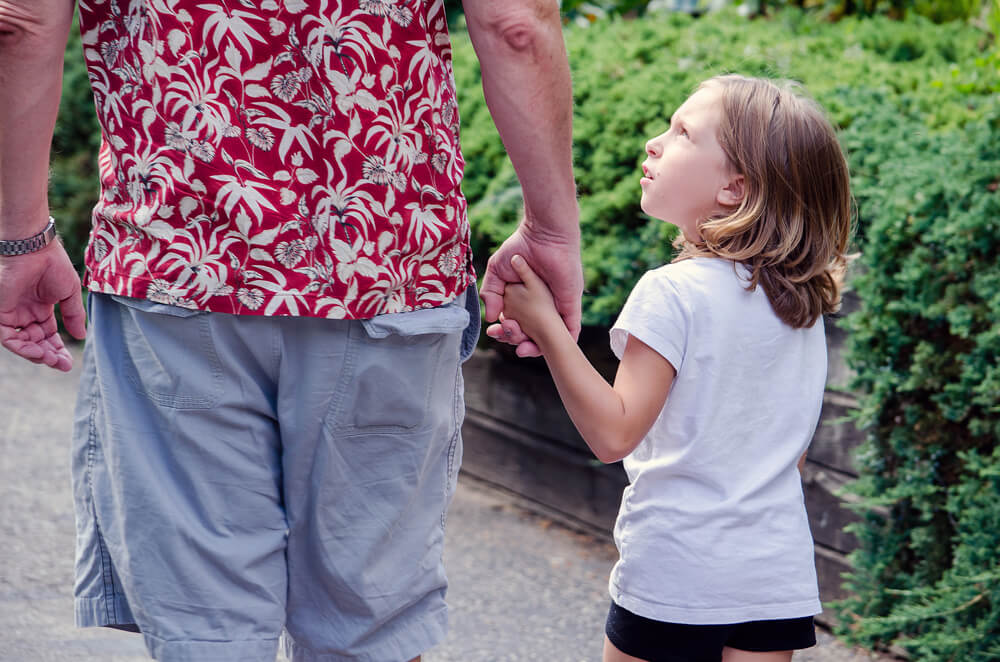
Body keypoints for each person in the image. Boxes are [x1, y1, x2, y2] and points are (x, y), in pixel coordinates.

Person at [0, 1, 581, 660]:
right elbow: (517, 25)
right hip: (383, 267)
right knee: (370, 629)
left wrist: (20, 235)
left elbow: (21, 22)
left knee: (208, 630)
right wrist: (551, 228)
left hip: (179, 266)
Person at [499, 74, 853, 662]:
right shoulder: (802, 305)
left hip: (678, 573)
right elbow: (790, 453)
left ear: (735, 188)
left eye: (682, 132)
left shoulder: (672, 293)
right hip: (774, 573)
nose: (654, 143)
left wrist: (547, 328)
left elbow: (614, 433)